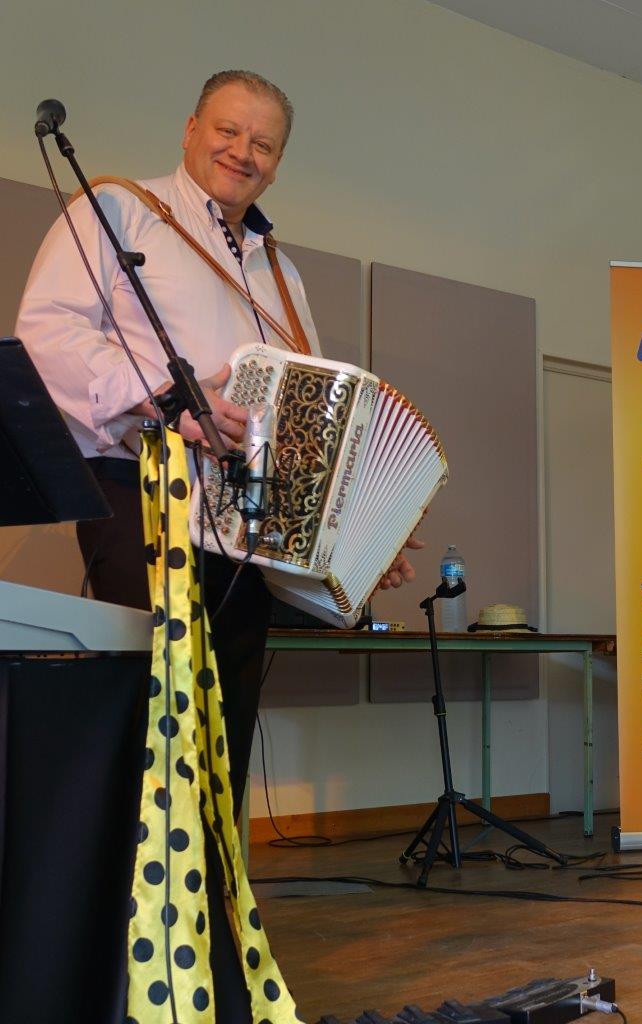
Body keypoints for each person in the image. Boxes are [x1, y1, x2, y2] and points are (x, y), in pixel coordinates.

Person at [16, 70, 419, 1020]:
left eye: (265, 144)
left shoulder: (287, 276)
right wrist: (168, 396)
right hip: (141, 504)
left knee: (222, 746)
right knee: (150, 740)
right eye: (229, 131)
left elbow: (313, 425)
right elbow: (46, 335)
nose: (243, 153)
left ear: (279, 163)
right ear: (193, 127)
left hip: (245, 544)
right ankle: (127, 961)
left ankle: (201, 954)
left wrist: (362, 535)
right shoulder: (120, 209)